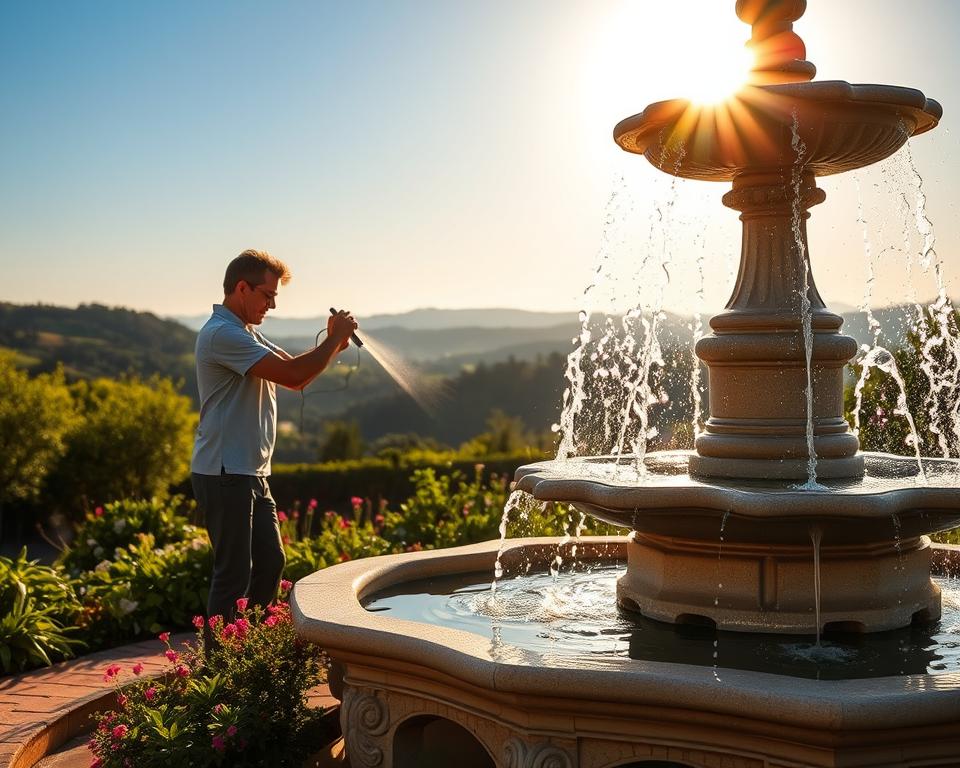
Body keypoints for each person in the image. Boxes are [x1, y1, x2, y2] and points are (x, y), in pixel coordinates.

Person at [191, 249, 358, 625]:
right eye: (267, 295)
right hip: (224, 472)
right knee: (233, 575)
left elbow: (294, 372)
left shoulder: (245, 331)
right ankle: (223, 667)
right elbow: (294, 376)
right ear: (241, 288)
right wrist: (332, 343)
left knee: (271, 562)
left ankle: (249, 647)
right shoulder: (221, 335)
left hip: (249, 471)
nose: (273, 304)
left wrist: (332, 343)